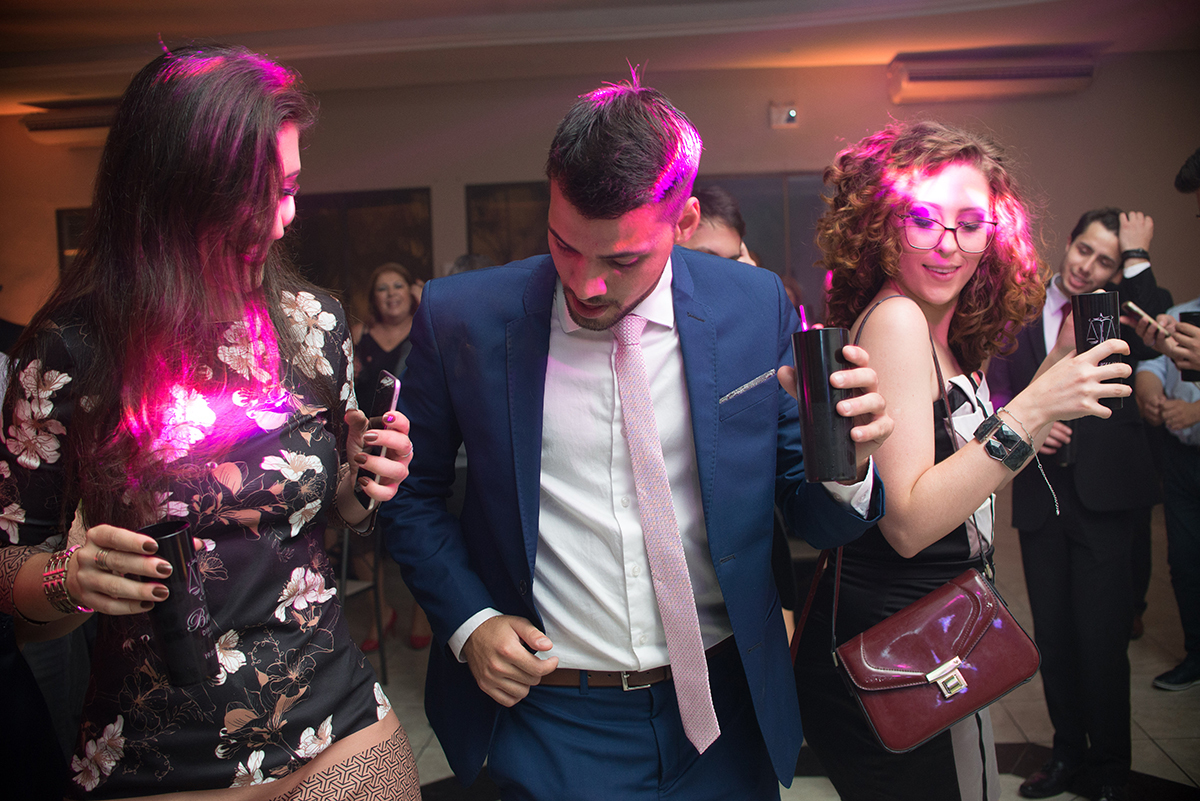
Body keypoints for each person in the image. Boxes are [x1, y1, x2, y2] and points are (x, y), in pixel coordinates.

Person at [379, 76, 893, 800]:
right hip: (549, 713)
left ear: (682, 222)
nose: (587, 285)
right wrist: (471, 619)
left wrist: (847, 464)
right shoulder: (462, 317)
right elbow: (410, 494)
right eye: (565, 247)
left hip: (725, 706)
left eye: (621, 260)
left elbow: (808, 510)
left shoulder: (752, 305)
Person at [0, 46, 421, 799]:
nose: (285, 217)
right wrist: (70, 577)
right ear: (172, 198)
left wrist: (366, 477)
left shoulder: (312, 323)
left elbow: (339, 516)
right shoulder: (71, 352)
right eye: (258, 197)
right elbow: (8, 563)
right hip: (158, 750)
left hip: (336, 723)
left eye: (290, 188)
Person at [794, 121, 1131, 801]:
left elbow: (968, 467)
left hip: (938, 632)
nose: (949, 245)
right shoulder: (897, 321)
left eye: (970, 223)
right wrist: (1033, 408)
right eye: (924, 220)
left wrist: (1061, 366)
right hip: (893, 650)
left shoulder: (935, 327)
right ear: (883, 227)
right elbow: (910, 522)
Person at [989, 208, 1160, 801]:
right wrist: (1033, 417)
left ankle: (1110, 766)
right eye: (1084, 250)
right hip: (1042, 496)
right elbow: (1000, 385)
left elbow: (1160, 322)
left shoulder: (1125, 317)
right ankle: (1065, 755)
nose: (1088, 266)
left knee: (1103, 638)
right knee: (1054, 637)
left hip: (1107, 498)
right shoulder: (1022, 307)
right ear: (1069, 243)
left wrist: (1138, 261)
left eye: (1107, 261)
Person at [1130, 146, 1200, 693]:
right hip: (1181, 461)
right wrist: (1151, 385)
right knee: (1185, 561)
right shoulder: (1187, 310)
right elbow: (1154, 354)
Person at [348, 262, 430, 651]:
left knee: (413, 526)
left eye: (399, 285)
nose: (392, 293)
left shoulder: (425, 329)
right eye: (383, 288)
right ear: (373, 296)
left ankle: (419, 613)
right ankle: (380, 610)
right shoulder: (360, 335)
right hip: (366, 445)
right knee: (359, 533)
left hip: (417, 442)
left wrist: (424, 302)